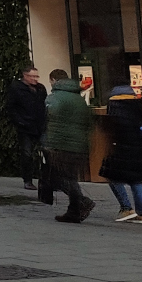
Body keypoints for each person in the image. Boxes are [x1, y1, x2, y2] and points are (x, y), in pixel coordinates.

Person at [44, 69, 96, 223]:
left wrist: (47, 141)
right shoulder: (79, 98)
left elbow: (46, 118)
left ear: (53, 80)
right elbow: (89, 121)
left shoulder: (54, 98)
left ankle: (82, 201)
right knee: (70, 176)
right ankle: (73, 212)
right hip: (79, 144)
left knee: (59, 178)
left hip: (61, 144)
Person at [102, 83, 142, 223]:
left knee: (112, 177)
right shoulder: (138, 104)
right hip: (137, 146)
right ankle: (141, 214)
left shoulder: (114, 105)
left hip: (120, 146)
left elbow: (112, 126)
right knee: (136, 180)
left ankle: (126, 208)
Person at [8, 68, 49, 190]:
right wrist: (20, 122)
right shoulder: (16, 89)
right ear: (25, 76)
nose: (35, 79)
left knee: (47, 153)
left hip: (39, 125)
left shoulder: (40, 89)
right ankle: (28, 180)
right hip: (25, 127)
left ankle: (48, 180)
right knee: (27, 154)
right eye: (32, 76)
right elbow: (11, 108)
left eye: (36, 76)